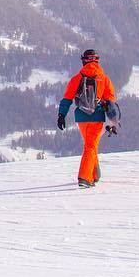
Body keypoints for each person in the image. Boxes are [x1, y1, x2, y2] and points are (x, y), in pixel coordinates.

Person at [56, 49, 119, 188]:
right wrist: (113, 122)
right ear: (97, 60)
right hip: (97, 117)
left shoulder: (77, 78)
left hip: (81, 118)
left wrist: (61, 115)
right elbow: (111, 102)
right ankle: (84, 178)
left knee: (90, 145)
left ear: (83, 60)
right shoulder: (104, 78)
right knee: (91, 146)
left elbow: (67, 99)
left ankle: (94, 174)